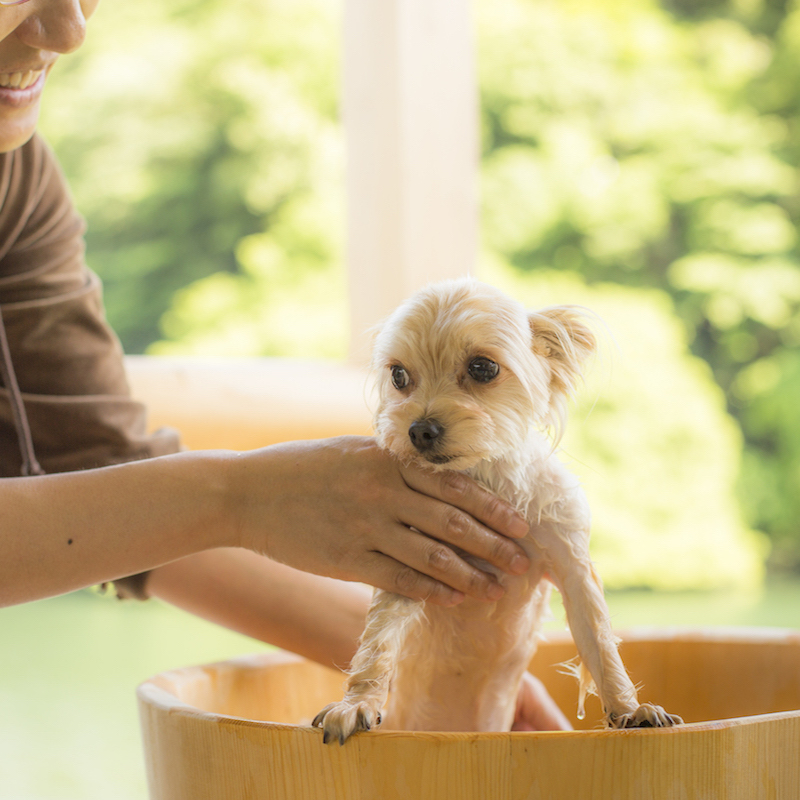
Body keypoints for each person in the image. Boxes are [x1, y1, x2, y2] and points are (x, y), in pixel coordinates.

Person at [0, 0, 570, 731]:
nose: (66, 32)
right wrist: (238, 498)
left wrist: (447, 665)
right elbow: (186, 508)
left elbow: (107, 476)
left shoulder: (17, 181)